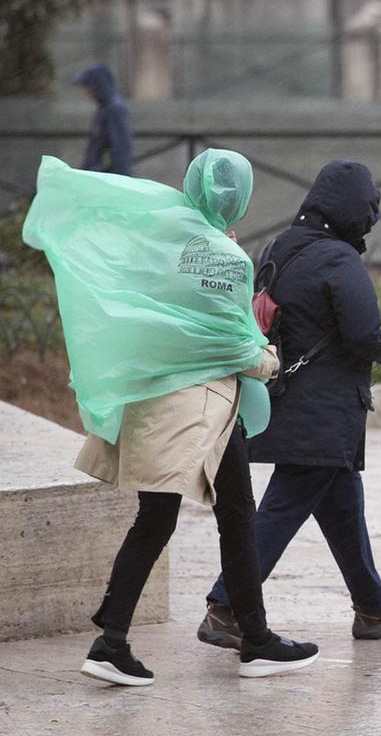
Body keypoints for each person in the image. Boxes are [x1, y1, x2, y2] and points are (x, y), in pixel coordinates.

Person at [23, 149, 319, 685]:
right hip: (202, 408)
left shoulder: (158, 235)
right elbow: (232, 344)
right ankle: (120, 643)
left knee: (205, 517)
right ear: (241, 198)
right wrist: (272, 363)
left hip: (154, 398)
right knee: (197, 520)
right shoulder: (228, 258)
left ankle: (240, 637)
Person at [197, 160, 381, 648]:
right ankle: (226, 605)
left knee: (343, 502)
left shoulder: (281, 247)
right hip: (323, 410)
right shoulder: (338, 259)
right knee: (282, 508)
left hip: (287, 398)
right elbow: (363, 333)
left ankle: (373, 605)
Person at [74, 62, 133, 176]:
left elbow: (120, 147)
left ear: (96, 86)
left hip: (106, 176)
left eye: (88, 87)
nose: (87, 92)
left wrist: (118, 177)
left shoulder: (114, 109)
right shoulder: (104, 108)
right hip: (99, 175)